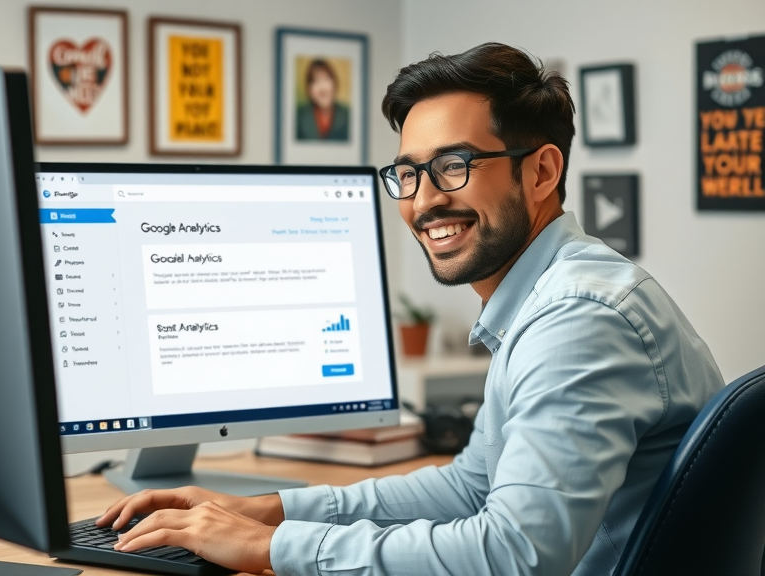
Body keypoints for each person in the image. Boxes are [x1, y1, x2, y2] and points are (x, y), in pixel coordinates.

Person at [96, 43, 724, 576]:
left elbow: (515, 555)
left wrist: (269, 548)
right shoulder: (553, 297)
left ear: (541, 172)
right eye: (409, 174)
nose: (423, 202)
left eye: (453, 166)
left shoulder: (576, 320)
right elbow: (470, 487)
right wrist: (270, 511)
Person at [295, 59, 350, 141]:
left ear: (335, 83)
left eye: (326, 79)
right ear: (308, 89)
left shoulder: (348, 115)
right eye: (316, 81)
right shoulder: (298, 116)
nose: (322, 88)